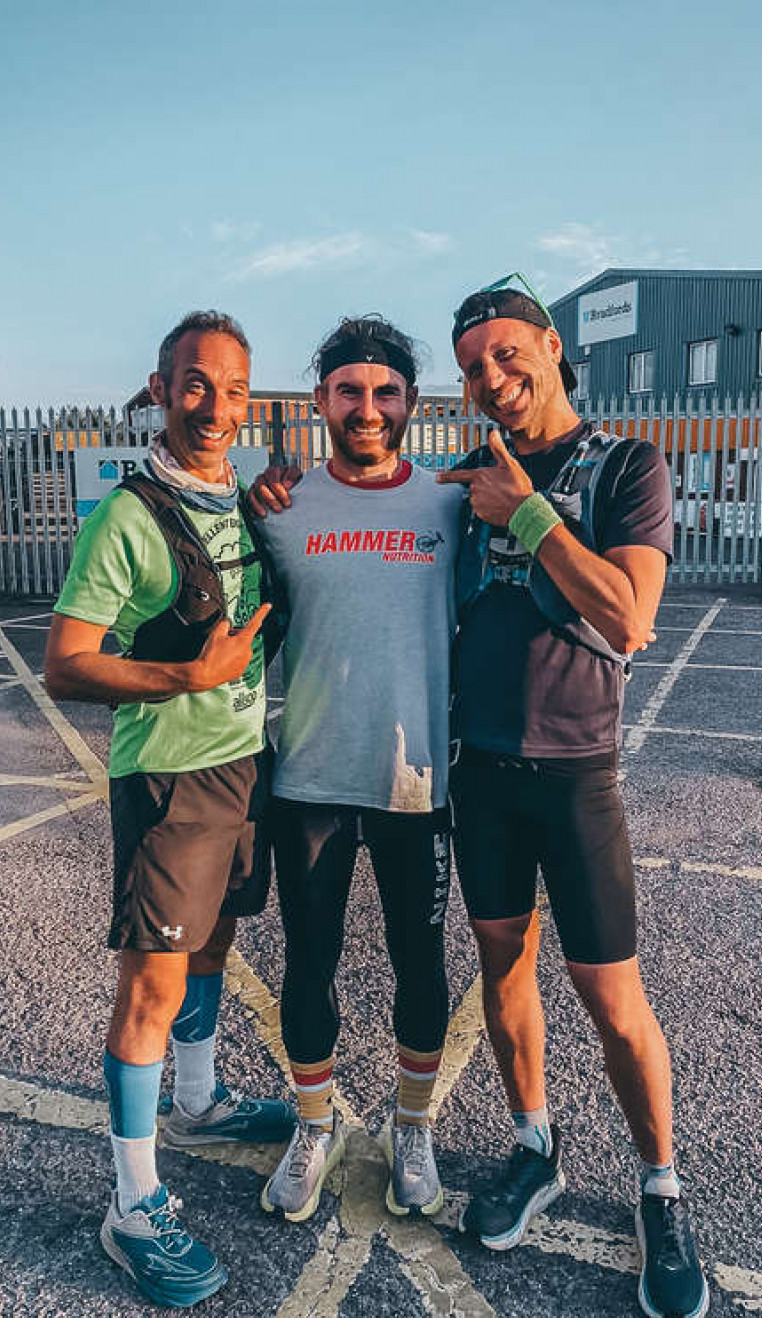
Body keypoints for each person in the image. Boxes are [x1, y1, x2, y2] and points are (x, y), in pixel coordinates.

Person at [437, 283, 709, 1318]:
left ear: (551, 349)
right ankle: (532, 1145)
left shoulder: (626, 467)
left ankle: (660, 1189)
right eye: (472, 367)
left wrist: (530, 512)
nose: (493, 380)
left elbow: (631, 616)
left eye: (507, 355)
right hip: (482, 768)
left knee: (610, 999)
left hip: (576, 772)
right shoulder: (463, 477)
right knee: (501, 975)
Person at [44, 310, 295, 1309]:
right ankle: (133, 1205)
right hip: (169, 784)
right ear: (158, 388)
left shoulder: (233, 498)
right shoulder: (126, 519)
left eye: (234, 389)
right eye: (196, 384)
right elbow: (65, 663)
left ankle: (198, 1100)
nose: (216, 407)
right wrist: (188, 673)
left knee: (212, 951)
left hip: (244, 768)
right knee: (148, 989)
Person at [247, 316, 463, 1223]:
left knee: (421, 962)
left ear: (411, 402)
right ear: (320, 401)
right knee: (310, 963)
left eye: (384, 392)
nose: (367, 408)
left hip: (416, 780)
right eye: (348, 391)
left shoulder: (451, 504)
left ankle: (412, 1127)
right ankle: (313, 1123)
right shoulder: (283, 510)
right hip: (312, 777)